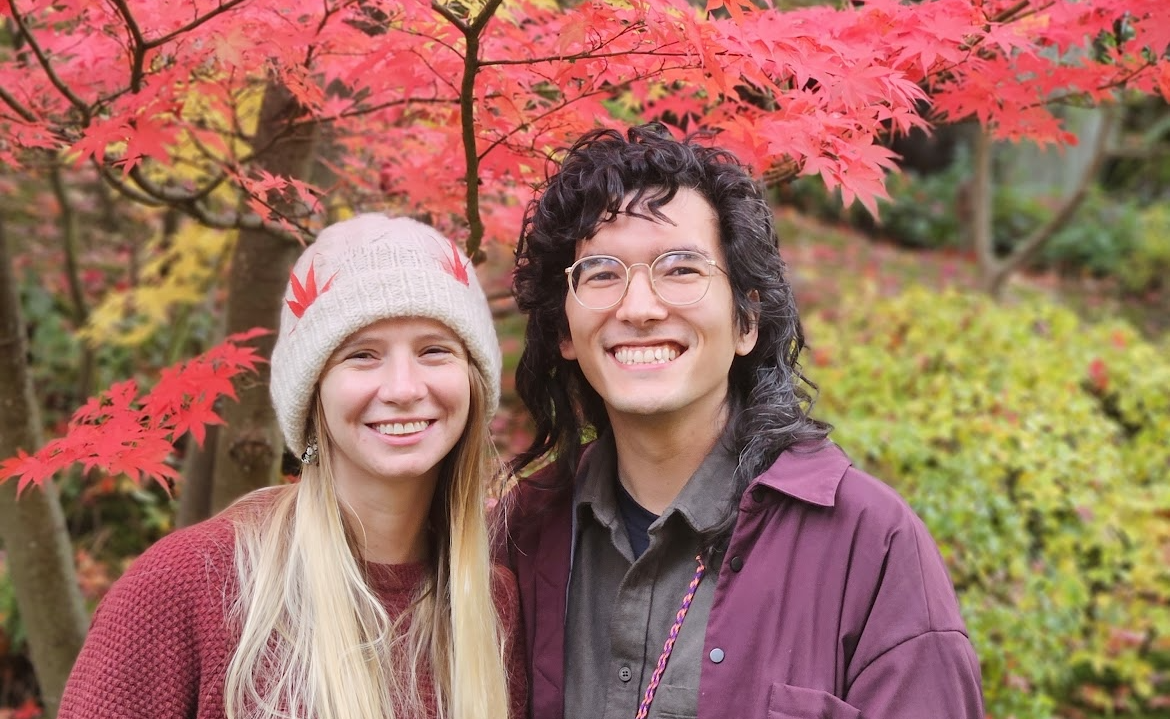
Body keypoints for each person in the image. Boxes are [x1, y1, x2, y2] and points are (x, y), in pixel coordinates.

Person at [499, 124, 984, 719]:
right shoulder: (520, 534)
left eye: (681, 268)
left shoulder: (869, 544)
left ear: (746, 322)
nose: (640, 307)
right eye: (601, 273)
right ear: (564, 331)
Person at [59, 214, 526, 719]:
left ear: (474, 382)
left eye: (435, 350)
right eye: (362, 355)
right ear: (312, 394)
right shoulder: (189, 587)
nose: (403, 388)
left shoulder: (494, 607)